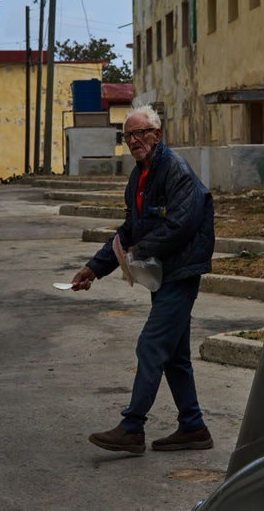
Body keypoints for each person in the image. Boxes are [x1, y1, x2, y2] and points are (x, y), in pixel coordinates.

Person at [70, 104, 215, 455]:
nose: (134, 140)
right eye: (128, 135)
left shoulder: (175, 170)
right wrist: (95, 267)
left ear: (157, 135)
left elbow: (180, 224)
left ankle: (133, 427)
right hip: (161, 273)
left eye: (140, 133)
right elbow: (129, 229)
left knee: (151, 345)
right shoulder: (139, 176)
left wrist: (136, 252)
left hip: (181, 272)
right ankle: (193, 428)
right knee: (174, 356)